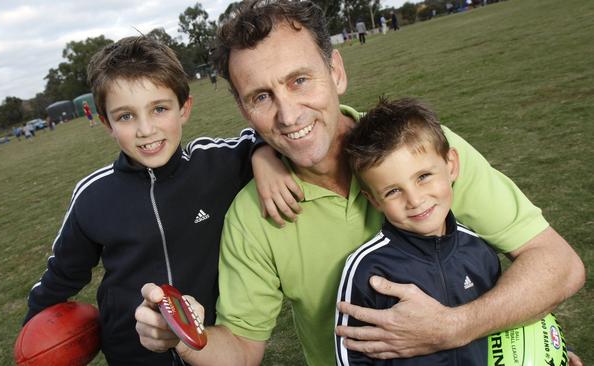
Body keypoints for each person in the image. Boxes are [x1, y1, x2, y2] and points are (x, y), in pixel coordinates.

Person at [134, 1, 584, 365]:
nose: (289, 115)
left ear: (336, 72)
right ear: (243, 109)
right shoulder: (253, 217)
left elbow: (558, 264)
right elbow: (242, 350)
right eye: (262, 96)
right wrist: (183, 336)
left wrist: (454, 326)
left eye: (300, 80)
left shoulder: (421, 155)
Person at [23, 36, 300, 365]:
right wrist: (32, 333)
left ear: (184, 109)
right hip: (131, 355)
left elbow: (262, 133)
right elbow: (61, 277)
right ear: (106, 123)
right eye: (125, 116)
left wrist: (263, 156)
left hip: (212, 347)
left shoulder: (216, 165)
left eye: (159, 109)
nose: (145, 129)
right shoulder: (92, 197)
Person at [335, 98, 501, 365]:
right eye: (393, 191)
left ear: (451, 165)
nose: (414, 200)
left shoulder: (479, 250)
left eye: (423, 176)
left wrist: (551, 353)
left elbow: (506, 324)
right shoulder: (369, 269)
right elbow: (351, 356)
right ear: (374, 200)